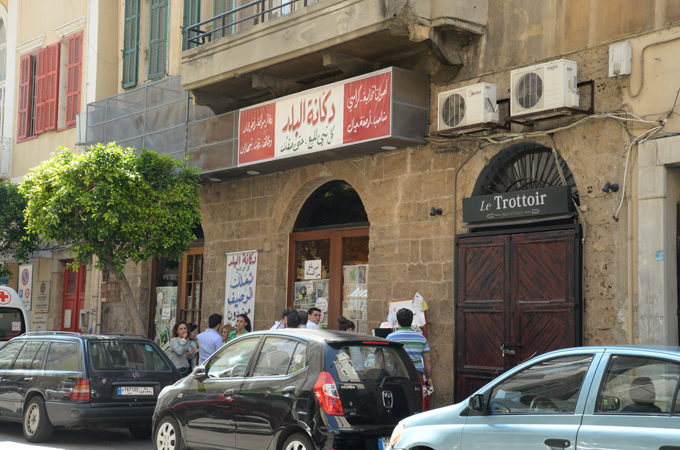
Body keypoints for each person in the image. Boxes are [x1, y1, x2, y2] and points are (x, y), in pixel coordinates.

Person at [386, 309, 432, 387]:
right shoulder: (421, 338)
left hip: (397, 374)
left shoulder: (391, 337)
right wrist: (428, 377)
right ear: (411, 320)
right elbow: (428, 360)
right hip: (417, 373)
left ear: (398, 321)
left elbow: (386, 356)